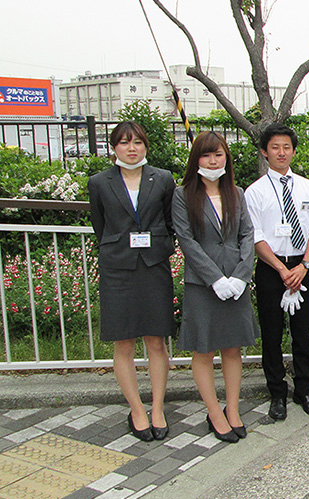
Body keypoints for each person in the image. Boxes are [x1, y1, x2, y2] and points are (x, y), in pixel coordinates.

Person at [88, 121, 175, 442]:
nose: (131, 147)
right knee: (123, 341)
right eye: (124, 142)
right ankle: (136, 409)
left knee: (155, 340)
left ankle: (157, 407)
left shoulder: (163, 178)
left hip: (153, 266)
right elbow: (101, 226)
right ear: (114, 147)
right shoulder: (99, 183)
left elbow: (169, 221)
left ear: (145, 146)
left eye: (137, 141)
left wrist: (157, 245)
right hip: (118, 270)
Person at [172, 132, 259, 443]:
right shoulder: (183, 195)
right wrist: (215, 278)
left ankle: (232, 409)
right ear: (197, 159)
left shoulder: (236, 192)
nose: (213, 161)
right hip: (203, 284)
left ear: (226, 159)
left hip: (236, 281)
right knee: (204, 349)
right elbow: (187, 241)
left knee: (233, 348)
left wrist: (240, 275)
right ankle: (213, 412)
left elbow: (248, 236)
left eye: (219, 155)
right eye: (207, 155)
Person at [245, 123, 309, 421]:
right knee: (272, 332)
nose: (281, 152)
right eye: (275, 147)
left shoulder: (307, 187)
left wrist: (303, 265)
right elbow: (256, 237)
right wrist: (282, 269)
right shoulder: (254, 192)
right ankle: (276, 392)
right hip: (271, 269)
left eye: (286, 147)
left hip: (303, 266)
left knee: (302, 332)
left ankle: (304, 390)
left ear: (293, 150)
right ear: (265, 152)